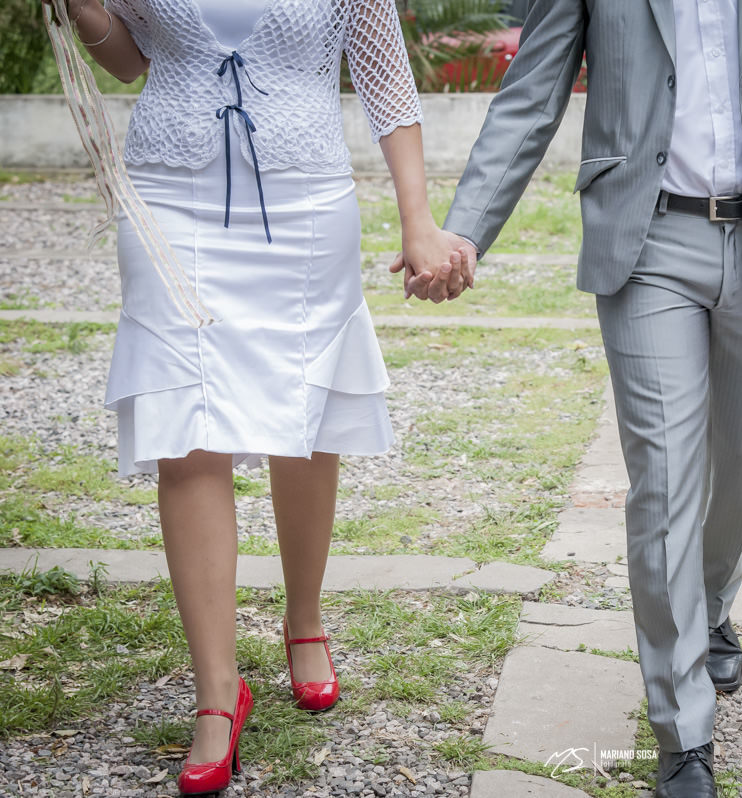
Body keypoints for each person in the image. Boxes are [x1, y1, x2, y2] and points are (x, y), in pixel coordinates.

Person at [417, 1, 742, 795]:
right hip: (646, 240)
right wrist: (466, 230)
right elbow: (532, 89)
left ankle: (712, 596)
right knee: (665, 479)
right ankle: (683, 734)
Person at [47, 0, 467, 794]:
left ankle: (303, 620)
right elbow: (132, 60)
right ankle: (216, 695)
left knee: (304, 420)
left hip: (306, 202)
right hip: (169, 199)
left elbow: (385, 79)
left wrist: (419, 220)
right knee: (186, 429)